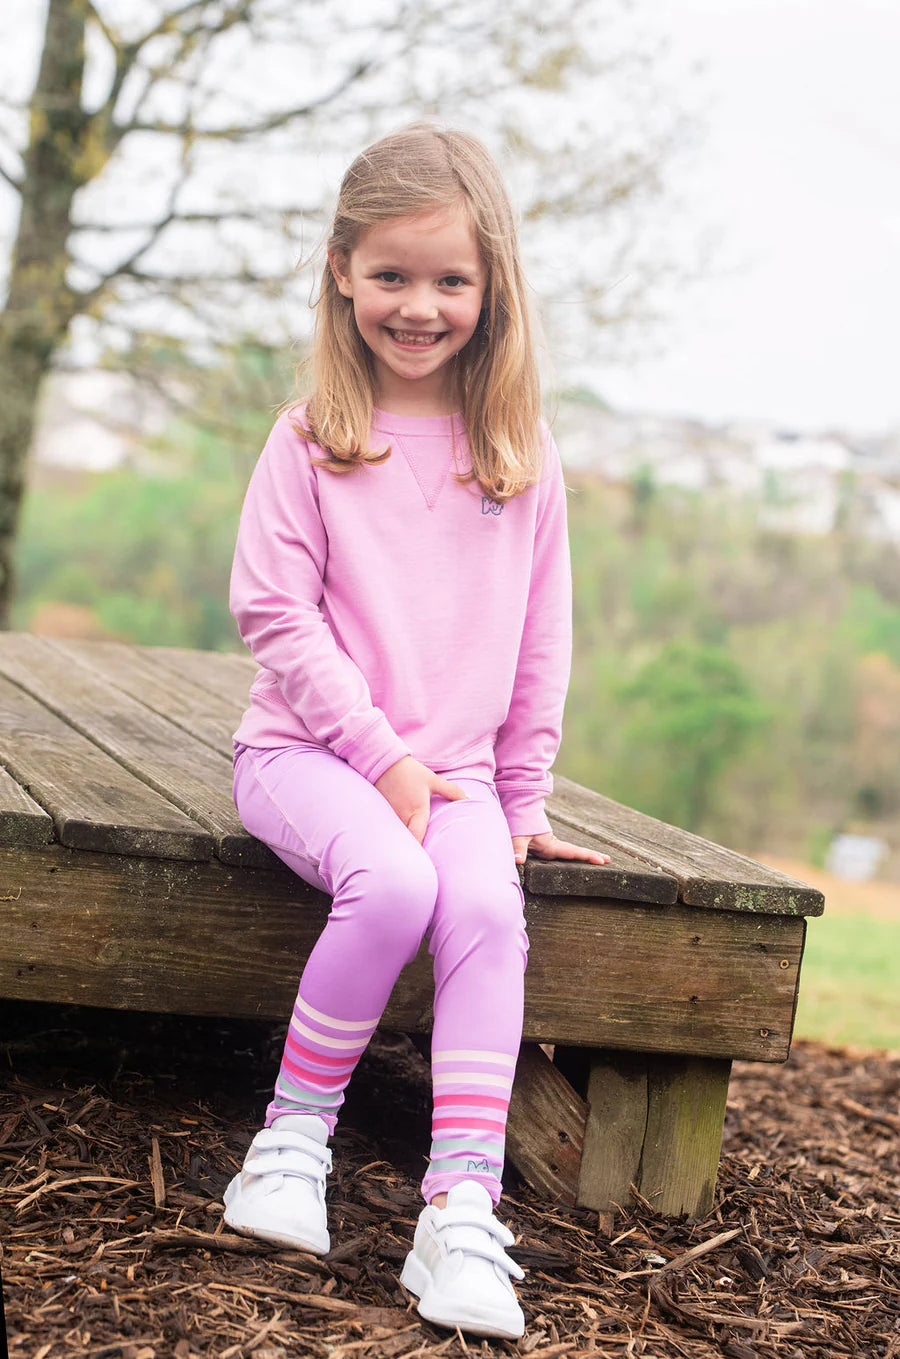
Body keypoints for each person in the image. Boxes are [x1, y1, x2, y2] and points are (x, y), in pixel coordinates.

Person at [224, 122, 608, 1341]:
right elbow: (272, 612)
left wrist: (523, 801)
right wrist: (378, 754)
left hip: (455, 778)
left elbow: (541, 641)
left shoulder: (518, 453)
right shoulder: (311, 436)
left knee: (487, 908)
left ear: (492, 289)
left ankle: (460, 1210)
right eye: (391, 274)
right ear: (343, 270)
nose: (420, 306)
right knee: (392, 886)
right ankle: (290, 1143)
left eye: (451, 280)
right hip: (305, 756)